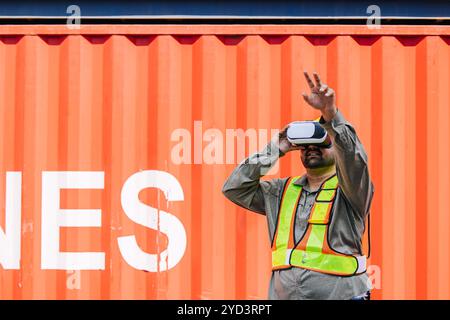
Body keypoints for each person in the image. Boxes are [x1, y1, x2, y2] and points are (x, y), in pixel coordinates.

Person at [222, 71, 374, 300]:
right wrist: (277, 147)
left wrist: (331, 115)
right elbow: (234, 188)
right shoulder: (281, 191)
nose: (311, 148)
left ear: (336, 148)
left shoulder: (352, 189)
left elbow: (353, 158)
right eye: (305, 145)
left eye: (321, 143)